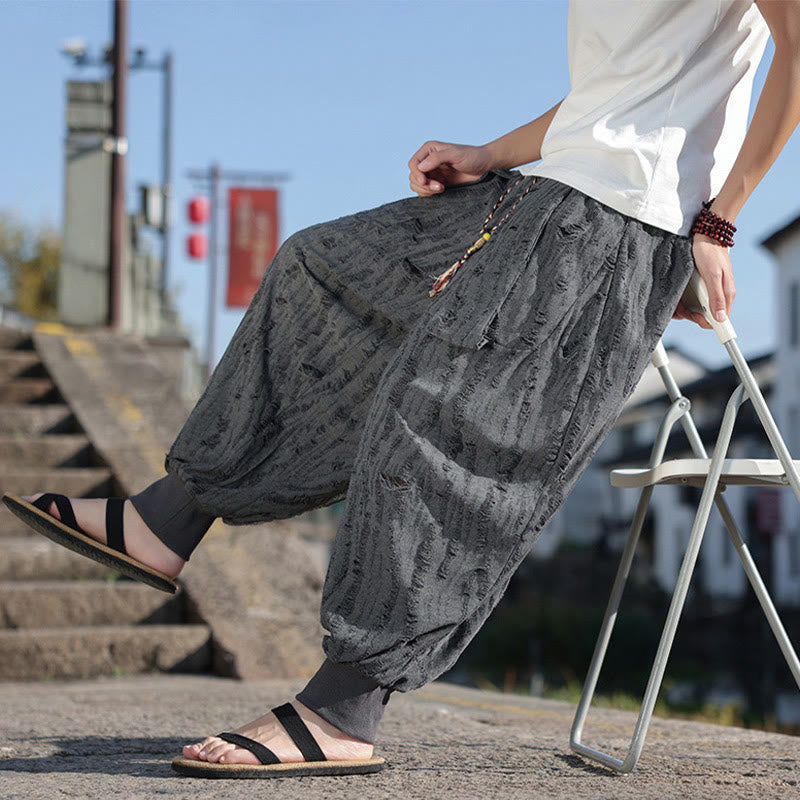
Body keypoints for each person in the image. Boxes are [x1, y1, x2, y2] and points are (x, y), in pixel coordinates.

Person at [4, 0, 800, 780]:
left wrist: (718, 221)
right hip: (546, 191)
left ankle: (344, 709)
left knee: (440, 419)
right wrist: (490, 153)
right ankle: (168, 517)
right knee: (322, 272)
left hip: (615, 225)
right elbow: (617, 96)